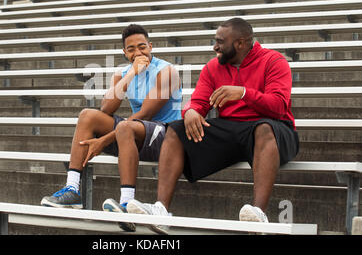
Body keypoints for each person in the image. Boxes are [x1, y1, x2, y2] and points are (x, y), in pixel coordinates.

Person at [126, 17, 299, 234]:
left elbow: (279, 106)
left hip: (274, 128)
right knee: (176, 129)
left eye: (220, 42)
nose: (215, 46)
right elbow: (199, 101)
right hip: (231, 128)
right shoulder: (213, 67)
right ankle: (161, 210)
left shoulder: (274, 61)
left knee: (263, 128)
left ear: (240, 43)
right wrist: (190, 111)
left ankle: (258, 214)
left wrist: (244, 93)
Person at [40, 23, 182, 232]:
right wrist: (130, 74)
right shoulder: (124, 72)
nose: (138, 52)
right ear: (125, 53)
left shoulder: (167, 70)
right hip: (135, 133)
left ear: (151, 46)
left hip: (166, 137)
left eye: (142, 47)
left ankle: (126, 203)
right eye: (131, 49)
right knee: (88, 116)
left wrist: (105, 140)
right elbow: (106, 107)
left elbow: (147, 114)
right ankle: (72, 189)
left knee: (126, 127)